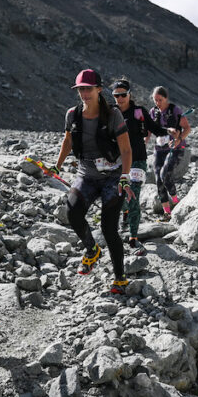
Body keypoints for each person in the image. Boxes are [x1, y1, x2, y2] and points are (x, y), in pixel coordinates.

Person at [51, 69, 136, 294]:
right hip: (86, 175)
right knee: (72, 211)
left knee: (109, 228)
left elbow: (126, 149)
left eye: (89, 89)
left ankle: (120, 278)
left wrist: (125, 177)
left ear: (99, 90)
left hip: (113, 178)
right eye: (81, 89)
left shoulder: (113, 115)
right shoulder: (72, 114)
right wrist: (57, 165)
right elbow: (68, 141)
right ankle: (92, 250)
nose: (84, 93)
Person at [110, 77, 170, 254]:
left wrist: (171, 131)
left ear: (129, 95)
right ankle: (126, 213)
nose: (119, 98)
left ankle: (133, 238)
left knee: (133, 196)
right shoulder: (111, 112)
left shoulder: (139, 112)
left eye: (123, 95)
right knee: (118, 199)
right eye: (116, 95)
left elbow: (156, 129)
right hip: (117, 162)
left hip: (137, 160)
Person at [149, 86, 191, 219]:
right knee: (158, 179)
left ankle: (177, 203)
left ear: (166, 98)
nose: (157, 103)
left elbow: (187, 128)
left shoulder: (175, 110)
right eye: (155, 100)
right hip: (159, 148)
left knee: (165, 175)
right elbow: (149, 130)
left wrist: (179, 139)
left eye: (160, 100)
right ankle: (167, 212)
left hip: (175, 148)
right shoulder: (153, 112)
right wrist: (145, 139)